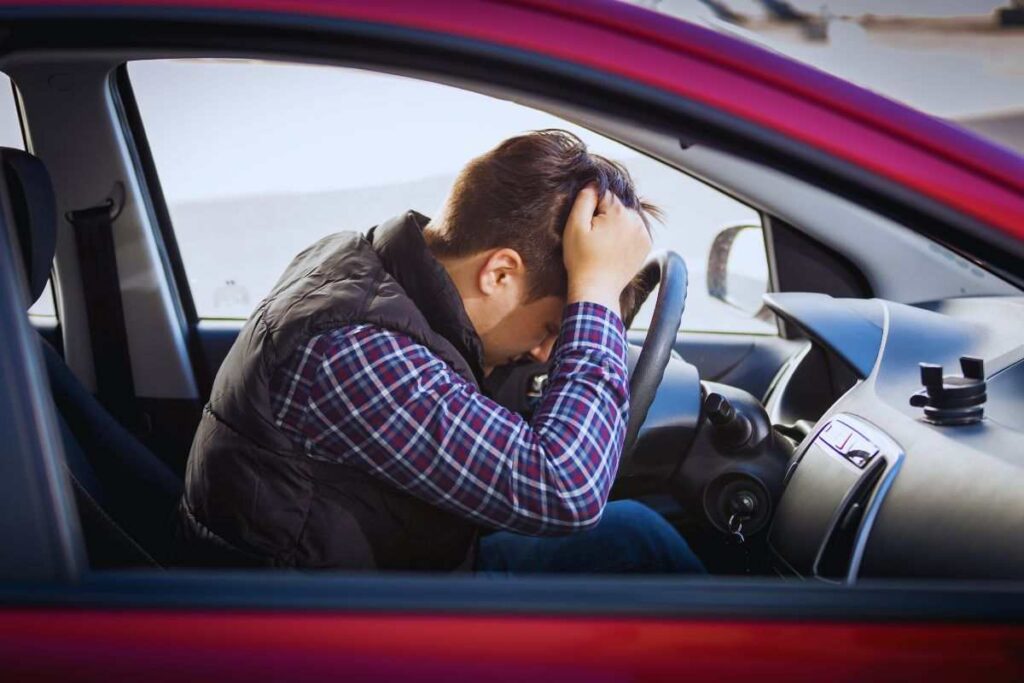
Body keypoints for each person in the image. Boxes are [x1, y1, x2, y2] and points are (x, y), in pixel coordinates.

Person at [177, 130, 704, 574]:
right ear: (499, 274)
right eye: (552, 326)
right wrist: (595, 295)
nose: (547, 353)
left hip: (396, 570)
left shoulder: (369, 267)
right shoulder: (353, 349)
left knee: (637, 534)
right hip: (334, 631)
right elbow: (567, 491)